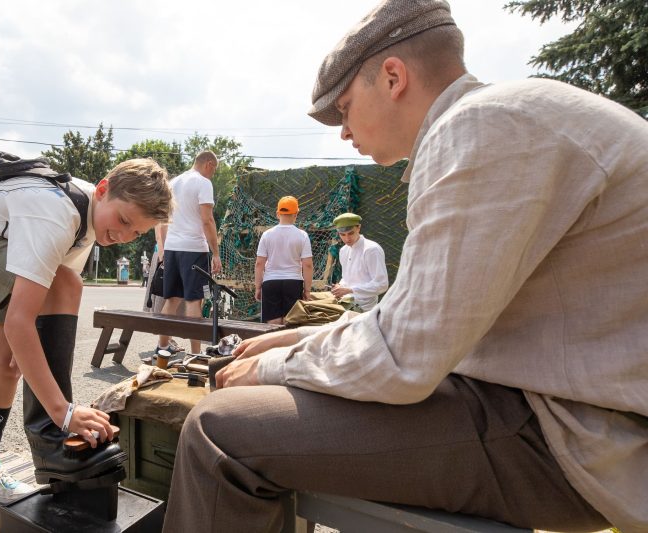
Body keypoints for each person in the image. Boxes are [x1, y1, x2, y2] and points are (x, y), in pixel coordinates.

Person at [163, 1, 648, 532]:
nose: (343, 133)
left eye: (345, 108)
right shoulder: (509, 116)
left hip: (573, 440)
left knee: (219, 429)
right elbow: (423, 315)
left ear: (392, 77)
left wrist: (267, 368)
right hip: (565, 413)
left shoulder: (478, 128)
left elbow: (405, 354)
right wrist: (291, 343)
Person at [0, 154, 172, 504]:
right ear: (103, 190)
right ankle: (51, 438)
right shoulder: (58, 212)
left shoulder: (89, 223)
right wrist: (63, 412)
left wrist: (32, 351)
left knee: (7, 366)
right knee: (67, 284)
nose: (123, 235)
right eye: (123, 220)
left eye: (135, 232)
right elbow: (23, 319)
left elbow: (34, 318)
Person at [156, 151, 222, 355]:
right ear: (209, 164)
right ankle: (195, 354)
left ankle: (163, 348)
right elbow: (207, 220)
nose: (213, 174)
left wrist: (166, 249)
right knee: (195, 300)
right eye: (214, 170)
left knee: (172, 299)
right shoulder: (203, 183)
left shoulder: (173, 183)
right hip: (194, 249)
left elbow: (164, 220)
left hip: (173, 248)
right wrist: (216, 253)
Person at [254, 196, 313, 324]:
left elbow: (259, 264)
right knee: (290, 322)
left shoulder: (267, 235)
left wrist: (258, 287)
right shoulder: (302, 235)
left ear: (277, 214)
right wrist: (307, 290)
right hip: (293, 282)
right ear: (296, 214)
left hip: (271, 282)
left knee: (272, 324)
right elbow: (307, 265)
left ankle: (274, 344)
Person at [329, 212, 388, 311]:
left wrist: (350, 290)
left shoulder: (372, 249)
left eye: (351, 233)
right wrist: (340, 286)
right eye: (342, 234)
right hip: (344, 302)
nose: (347, 238)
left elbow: (382, 284)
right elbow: (347, 278)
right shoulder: (343, 250)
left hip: (364, 308)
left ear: (358, 228)